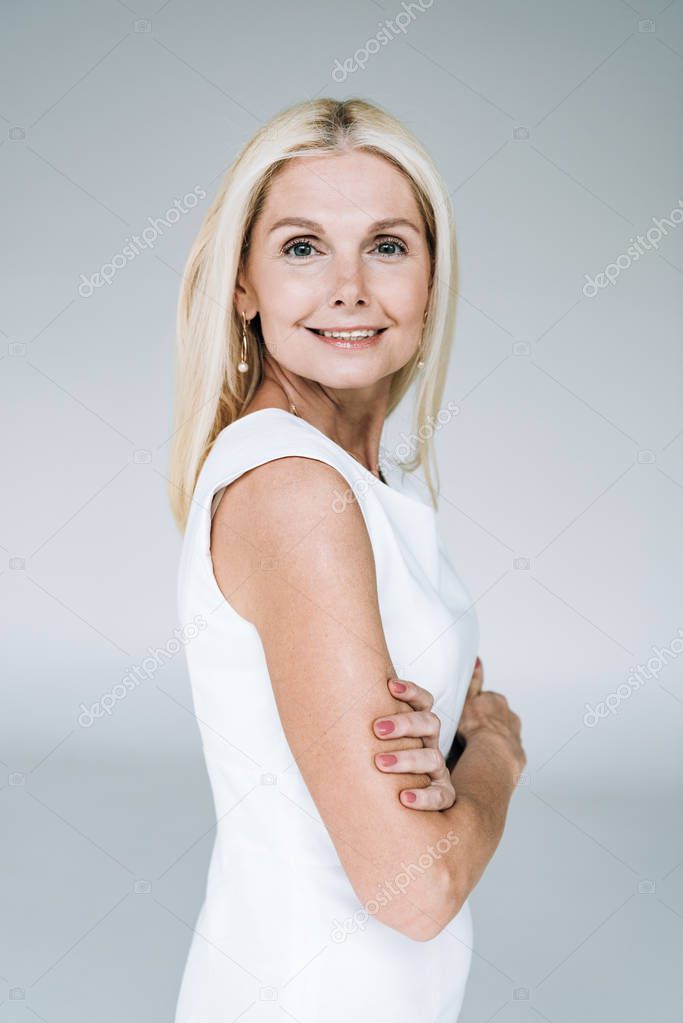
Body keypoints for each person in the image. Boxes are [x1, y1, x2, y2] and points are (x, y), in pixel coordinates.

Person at [168, 97, 526, 1023]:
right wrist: (491, 754)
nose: (349, 286)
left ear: (432, 277)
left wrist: (446, 756)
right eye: (299, 247)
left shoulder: (366, 486)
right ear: (242, 283)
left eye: (387, 244)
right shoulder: (296, 493)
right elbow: (414, 887)